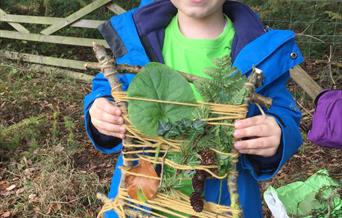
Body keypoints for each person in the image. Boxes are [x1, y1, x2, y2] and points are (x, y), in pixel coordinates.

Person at [84, 0, 304, 217]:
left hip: (222, 203)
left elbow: (283, 111)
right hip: (140, 199)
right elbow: (106, 87)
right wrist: (100, 109)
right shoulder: (140, 39)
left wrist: (277, 134)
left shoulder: (259, 50)